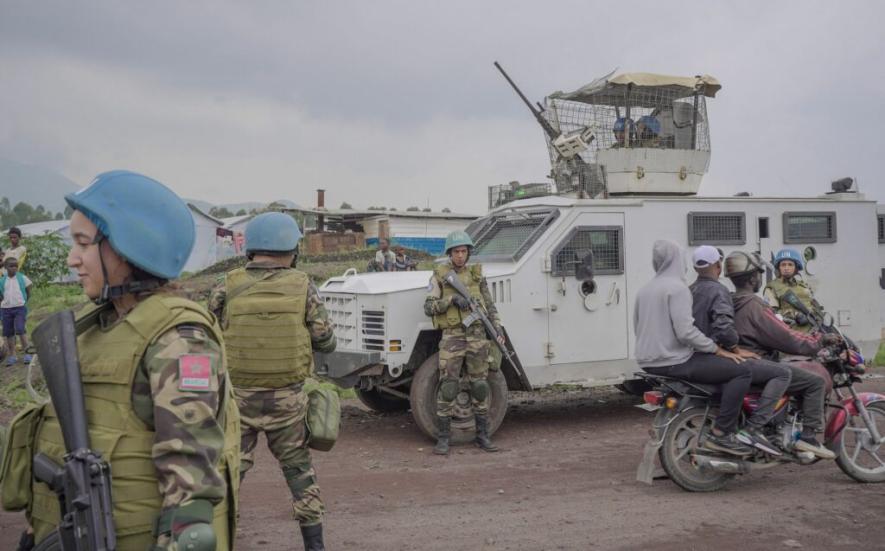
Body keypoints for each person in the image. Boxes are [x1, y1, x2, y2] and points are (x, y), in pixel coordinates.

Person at [5, 171, 240, 550]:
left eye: (83, 243)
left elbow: (191, 486)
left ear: (130, 249)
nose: (72, 259)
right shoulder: (95, 326)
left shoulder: (179, 340)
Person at [209, 211, 335, 551]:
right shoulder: (304, 285)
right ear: (292, 249)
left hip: (238, 401)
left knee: (228, 476)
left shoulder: (226, 284)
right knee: (300, 475)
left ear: (251, 248)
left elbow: (205, 333)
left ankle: (215, 540)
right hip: (288, 403)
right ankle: (315, 546)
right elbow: (325, 340)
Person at [634, 240, 752, 456]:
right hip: (674, 361)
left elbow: (637, 327)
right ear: (678, 261)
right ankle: (723, 433)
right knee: (742, 371)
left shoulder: (645, 290)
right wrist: (717, 350)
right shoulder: (677, 288)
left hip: (646, 362)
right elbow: (686, 332)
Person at [725, 250, 837, 459]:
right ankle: (808, 438)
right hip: (759, 361)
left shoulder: (730, 301)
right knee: (814, 382)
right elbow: (784, 336)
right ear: (753, 278)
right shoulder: (755, 305)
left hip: (739, 363)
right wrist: (819, 342)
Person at [690, 246, 792, 455]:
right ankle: (752, 429)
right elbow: (724, 329)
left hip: (695, 355)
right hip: (713, 356)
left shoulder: (690, 289)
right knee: (780, 373)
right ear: (718, 266)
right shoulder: (721, 291)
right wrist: (735, 349)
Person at [424, 230, 504, 455]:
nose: (460, 255)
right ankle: (443, 438)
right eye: (456, 252)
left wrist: (497, 328)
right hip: (453, 337)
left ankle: (482, 435)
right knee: (449, 386)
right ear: (450, 253)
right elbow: (428, 307)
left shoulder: (477, 276)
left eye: (463, 251)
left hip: (477, 337)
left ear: (468, 253)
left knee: (480, 386)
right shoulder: (440, 276)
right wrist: (451, 300)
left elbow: (490, 306)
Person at [763, 248, 819, 333]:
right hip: (789, 333)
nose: (786, 268)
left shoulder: (803, 286)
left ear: (796, 267)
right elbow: (771, 314)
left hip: (812, 330)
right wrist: (795, 315)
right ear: (779, 267)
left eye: (790, 265)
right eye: (783, 265)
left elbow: (813, 306)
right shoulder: (773, 288)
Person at [1, 257, 33, 366]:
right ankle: (12, 355)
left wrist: (24, 301)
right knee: (8, 332)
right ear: (5, 267)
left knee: (20, 329)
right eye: (11, 266)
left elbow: (28, 290)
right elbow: (1, 295)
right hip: (6, 309)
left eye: (16, 266)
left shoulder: (22, 278)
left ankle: (27, 353)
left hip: (20, 308)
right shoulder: (2, 280)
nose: (14, 268)